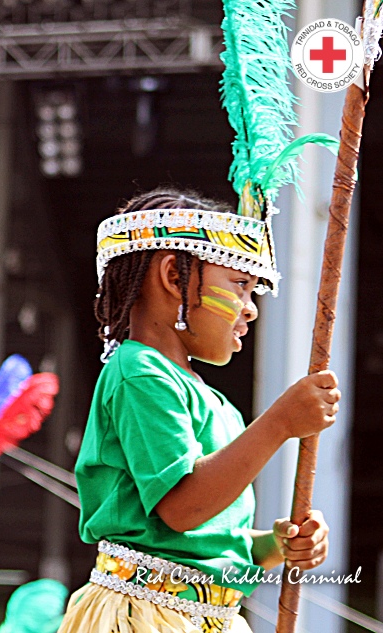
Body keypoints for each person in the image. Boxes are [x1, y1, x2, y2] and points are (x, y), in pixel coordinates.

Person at [57, 188, 339, 633]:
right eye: (240, 285)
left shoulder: (216, 404)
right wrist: (281, 422)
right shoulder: (139, 372)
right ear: (174, 276)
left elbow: (203, 541)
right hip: (143, 618)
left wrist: (277, 544)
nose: (251, 309)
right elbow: (182, 509)